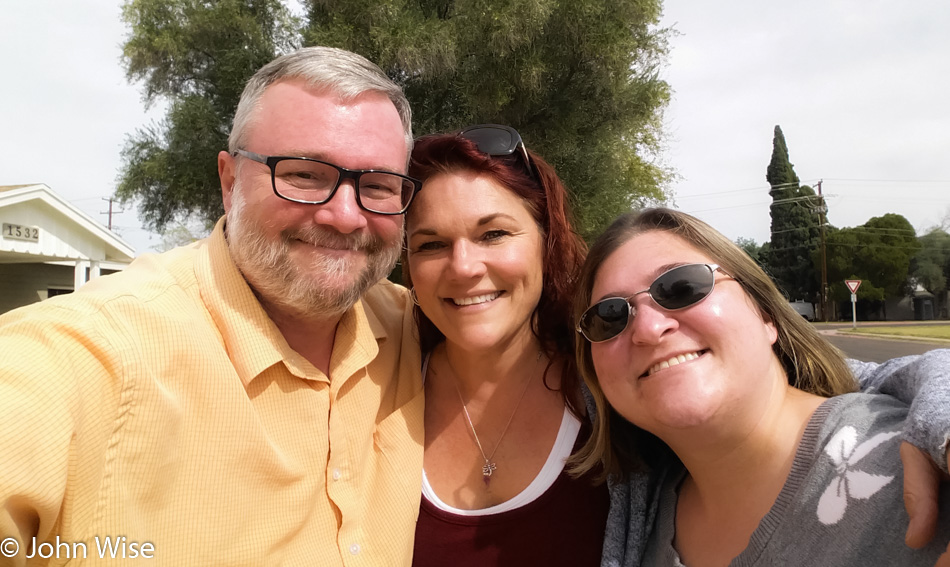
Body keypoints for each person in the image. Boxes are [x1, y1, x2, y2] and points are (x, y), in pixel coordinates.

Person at [0, 47, 424, 565]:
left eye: (377, 186)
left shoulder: (420, 330)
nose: (344, 216)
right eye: (303, 175)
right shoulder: (84, 354)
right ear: (229, 181)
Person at [572, 207, 950, 566]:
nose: (649, 330)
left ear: (765, 313)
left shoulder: (918, 466)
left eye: (681, 286)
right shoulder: (639, 526)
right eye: (610, 317)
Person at [402, 125, 608, 565]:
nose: (463, 268)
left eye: (493, 234)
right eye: (431, 244)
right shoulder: (375, 392)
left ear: (546, 241)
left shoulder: (612, 393)